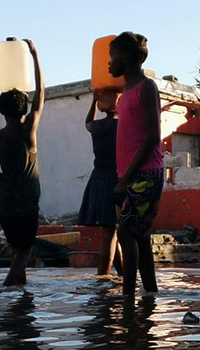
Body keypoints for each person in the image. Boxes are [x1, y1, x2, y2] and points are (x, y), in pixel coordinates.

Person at [0, 38, 44, 287]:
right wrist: (34, 56)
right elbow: (41, 93)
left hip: (4, 206)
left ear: (1, 110)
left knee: (17, 252)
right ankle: (4, 295)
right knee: (24, 253)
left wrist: (8, 176)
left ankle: (21, 302)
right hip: (25, 205)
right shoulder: (28, 130)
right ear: (24, 110)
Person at [109, 31, 163, 297]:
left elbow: (153, 136)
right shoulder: (125, 92)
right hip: (131, 174)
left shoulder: (146, 87)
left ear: (127, 57)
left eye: (113, 56)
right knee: (139, 235)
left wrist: (125, 178)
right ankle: (150, 293)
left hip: (145, 173)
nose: (109, 62)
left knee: (126, 234)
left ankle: (128, 298)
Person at [78, 89, 123, 277]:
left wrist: (93, 101)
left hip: (99, 179)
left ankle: (122, 275)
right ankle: (103, 277)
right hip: (117, 179)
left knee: (111, 231)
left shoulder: (97, 127)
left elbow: (87, 123)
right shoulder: (122, 126)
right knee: (111, 232)